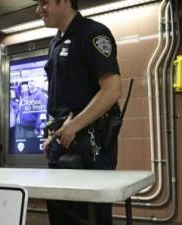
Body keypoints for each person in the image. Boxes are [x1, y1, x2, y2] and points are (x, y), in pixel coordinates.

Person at [35, 0, 122, 225]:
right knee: (61, 215)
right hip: (62, 141)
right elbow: (61, 98)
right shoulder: (55, 42)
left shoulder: (93, 34)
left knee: (90, 216)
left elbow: (112, 90)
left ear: (64, 2)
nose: (39, 9)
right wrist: (53, 135)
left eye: (44, 2)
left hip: (89, 144)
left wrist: (74, 125)